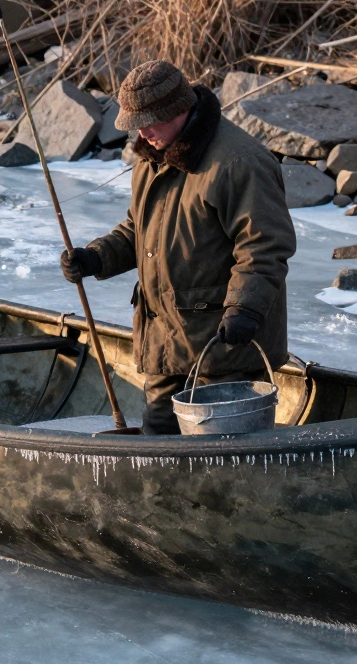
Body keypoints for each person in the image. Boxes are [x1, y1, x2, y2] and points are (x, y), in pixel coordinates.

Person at [60, 60, 297, 435]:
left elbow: (264, 246)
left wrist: (245, 308)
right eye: (136, 123)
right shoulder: (151, 155)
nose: (142, 132)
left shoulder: (239, 162)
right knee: (158, 440)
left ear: (178, 110)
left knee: (215, 458)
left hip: (223, 347)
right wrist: (96, 257)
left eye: (150, 121)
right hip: (166, 343)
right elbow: (141, 229)